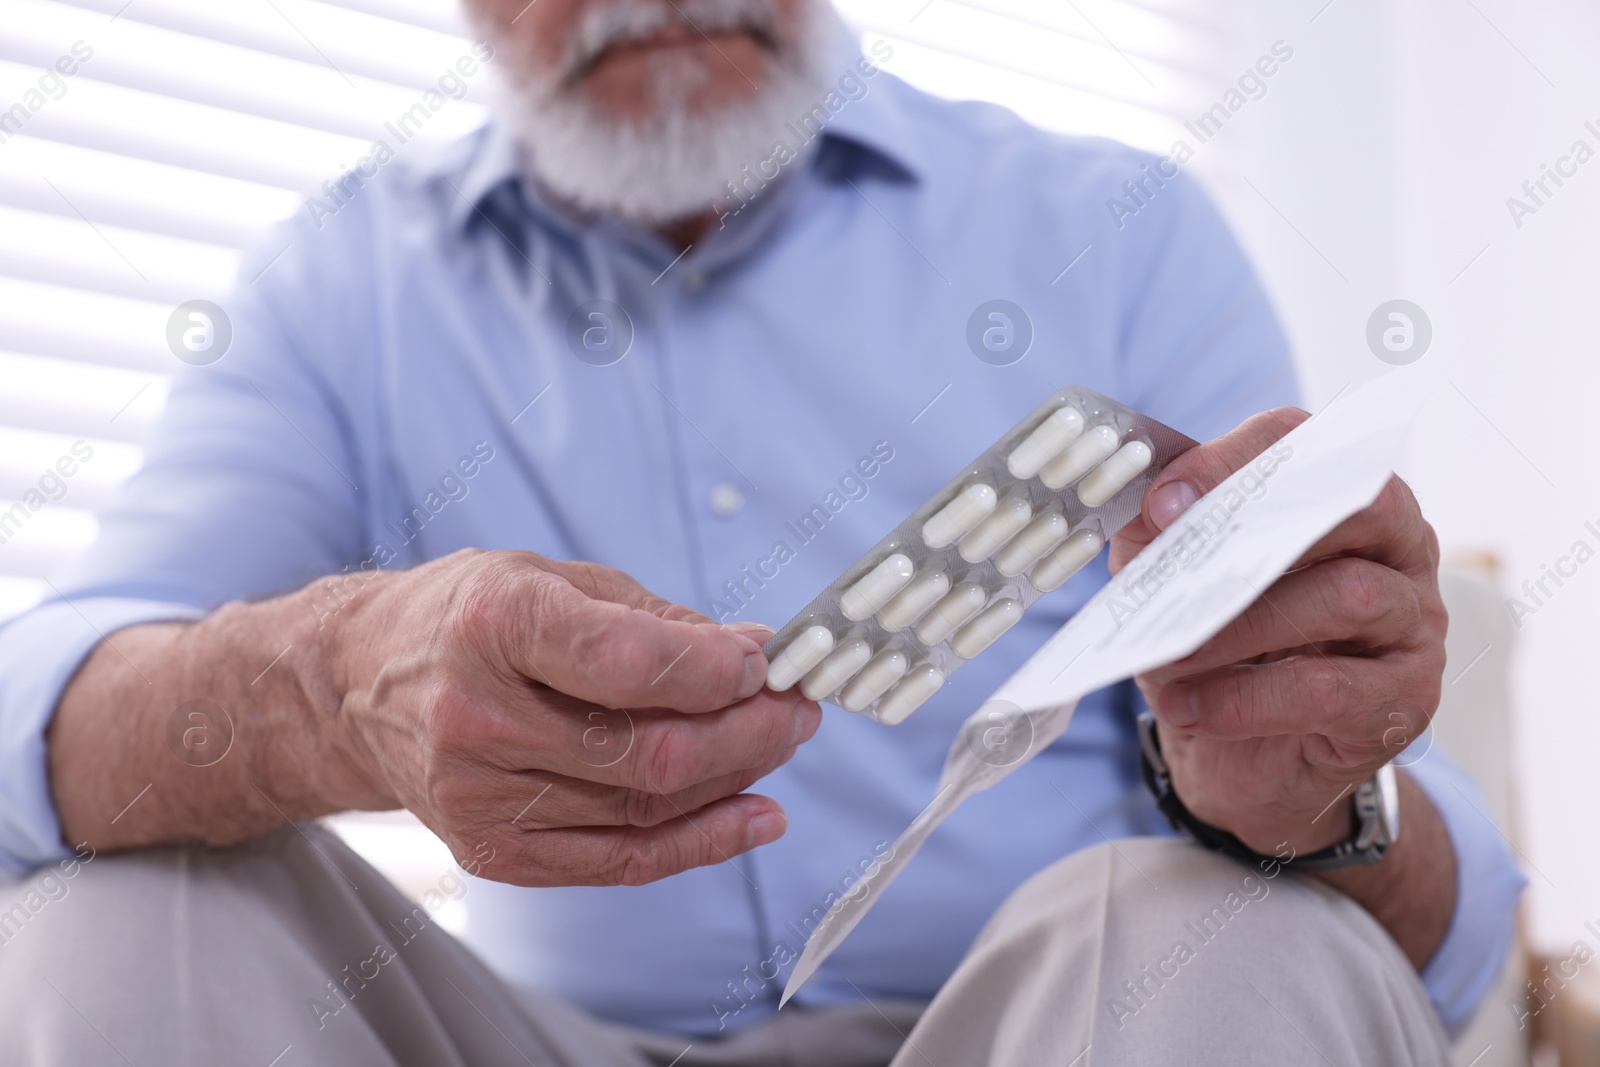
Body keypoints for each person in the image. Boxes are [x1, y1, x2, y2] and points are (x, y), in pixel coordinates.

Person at [0, 0, 1522, 1063]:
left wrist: (1317, 798)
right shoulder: (343, 289)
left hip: (1071, 1028)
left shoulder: (1119, 229)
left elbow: (1447, 934)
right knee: (123, 905)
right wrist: (318, 686)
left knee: (1234, 929)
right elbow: (37, 728)